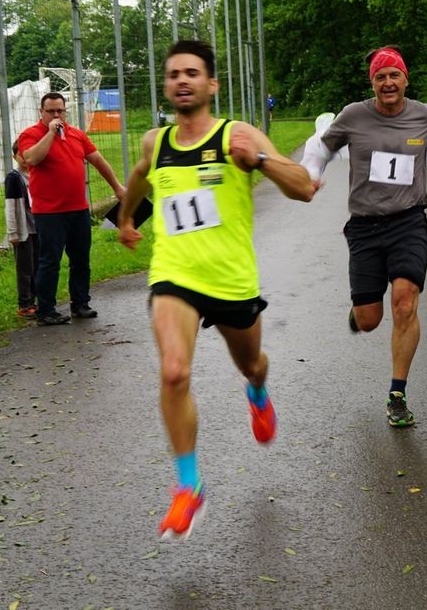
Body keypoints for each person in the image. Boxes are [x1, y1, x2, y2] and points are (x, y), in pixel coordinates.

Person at [117, 39, 314, 541]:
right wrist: (124, 220)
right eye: (173, 74)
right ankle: (189, 486)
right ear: (166, 85)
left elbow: (305, 186)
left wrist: (262, 162)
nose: (182, 80)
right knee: (174, 371)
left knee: (251, 362)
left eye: (192, 73)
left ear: (211, 84)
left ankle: (257, 390)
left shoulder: (237, 135)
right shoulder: (154, 142)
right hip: (174, 275)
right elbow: (139, 179)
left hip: (231, 281)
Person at [300, 46, 427, 428]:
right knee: (371, 318)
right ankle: (360, 314)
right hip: (364, 226)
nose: (388, 82)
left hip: (409, 222)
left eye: (394, 75)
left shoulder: (424, 116)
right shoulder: (354, 116)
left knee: (405, 304)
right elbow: (321, 147)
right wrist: (310, 175)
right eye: (380, 77)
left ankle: (397, 393)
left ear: (405, 79)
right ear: (372, 83)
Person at [17, 92, 126, 326]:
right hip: (49, 212)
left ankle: (80, 303)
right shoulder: (31, 134)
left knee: (81, 258)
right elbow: (32, 159)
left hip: (77, 209)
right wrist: (50, 133)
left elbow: (98, 160)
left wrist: (117, 186)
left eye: (60, 111)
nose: (57, 115)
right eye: (51, 111)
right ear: (41, 112)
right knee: (50, 260)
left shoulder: (76, 134)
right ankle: (45, 310)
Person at [4, 142, 38, 319]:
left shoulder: (37, 173)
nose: (25, 159)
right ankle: (25, 303)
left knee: (38, 265)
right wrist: (13, 232)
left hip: (39, 227)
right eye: (21, 155)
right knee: (25, 267)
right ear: (15, 156)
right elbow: (10, 206)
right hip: (24, 230)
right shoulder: (14, 178)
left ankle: (35, 300)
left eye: (28, 154)